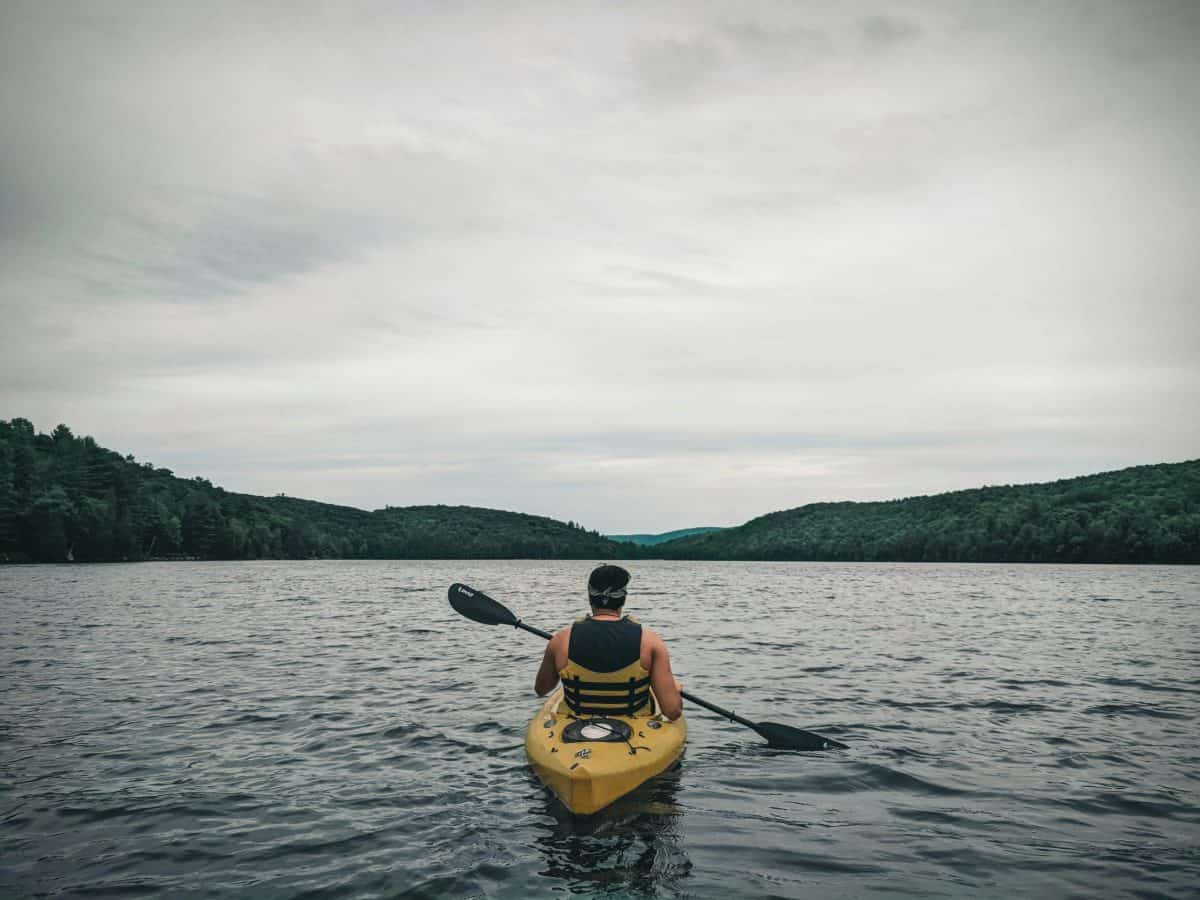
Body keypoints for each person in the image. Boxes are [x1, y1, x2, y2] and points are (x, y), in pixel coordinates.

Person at [534, 564, 683, 721]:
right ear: (623, 598)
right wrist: (674, 690)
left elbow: (541, 689)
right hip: (636, 730)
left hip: (572, 729)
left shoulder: (560, 641)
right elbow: (672, 711)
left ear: (590, 596)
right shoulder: (651, 642)